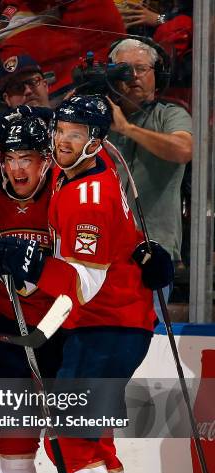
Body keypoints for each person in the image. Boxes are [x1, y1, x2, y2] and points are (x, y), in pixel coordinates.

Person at [0, 94, 157, 473]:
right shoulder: (83, 168)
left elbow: (84, 284)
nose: (63, 139)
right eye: (60, 128)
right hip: (105, 323)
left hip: (106, 321)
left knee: (71, 431)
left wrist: (29, 263)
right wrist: (143, 250)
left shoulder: (85, 194)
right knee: (85, 436)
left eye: (75, 133)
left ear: (95, 141)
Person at [0, 106, 64, 473]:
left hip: (61, 328)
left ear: (47, 159)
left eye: (29, 157)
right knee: (13, 440)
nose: (19, 167)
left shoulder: (63, 194)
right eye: (12, 156)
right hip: (5, 331)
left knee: (71, 442)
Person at [107, 37, 192, 316]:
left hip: (152, 251)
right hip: (102, 252)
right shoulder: (99, 119)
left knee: (144, 338)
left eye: (141, 68)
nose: (133, 77)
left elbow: (183, 150)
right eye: (124, 69)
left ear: (158, 74)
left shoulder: (171, 114)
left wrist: (127, 129)